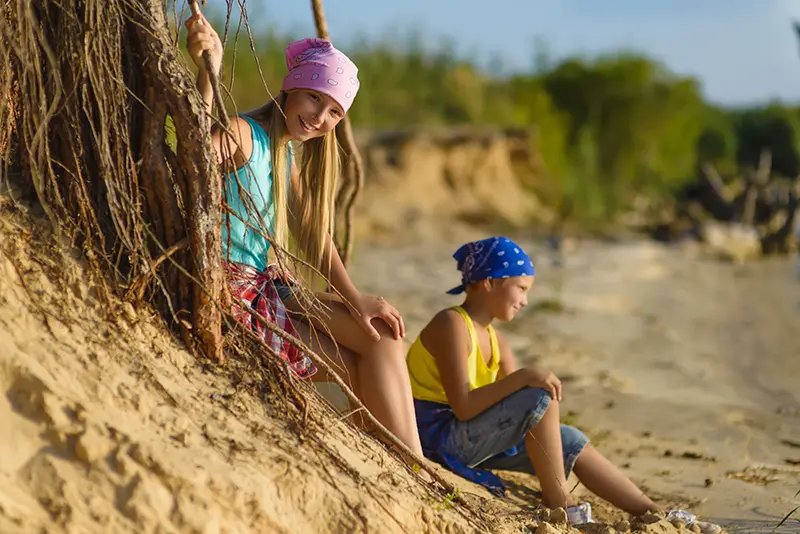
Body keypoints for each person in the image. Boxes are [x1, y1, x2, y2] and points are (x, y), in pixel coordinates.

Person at [184, 13, 423, 458]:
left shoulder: (285, 157)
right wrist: (207, 70)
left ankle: (412, 464)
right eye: (315, 99)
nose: (320, 118)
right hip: (236, 293)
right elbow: (191, 155)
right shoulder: (243, 134)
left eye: (335, 111)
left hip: (273, 289)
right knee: (357, 366)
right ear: (291, 87)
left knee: (381, 339)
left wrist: (353, 297)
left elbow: (315, 233)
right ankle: (412, 467)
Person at [406, 236, 721, 533]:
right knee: (539, 391)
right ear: (489, 283)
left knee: (568, 437)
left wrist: (529, 392)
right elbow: (463, 407)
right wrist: (525, 379)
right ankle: (560, 503)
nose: (525, 301)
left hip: (474, 438)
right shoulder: (452, 325)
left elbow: (517, 411)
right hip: (441, 439)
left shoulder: (498, 341)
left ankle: (651, 510)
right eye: (521, 288)